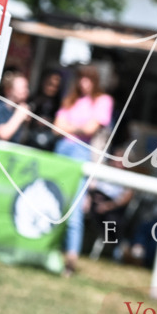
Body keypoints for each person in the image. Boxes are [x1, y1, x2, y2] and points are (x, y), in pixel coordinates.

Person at [54, 64, 114, 277]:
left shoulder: (103, 101)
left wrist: (68, 127)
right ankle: (52, 252)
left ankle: (71, 259)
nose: (84, 83)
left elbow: (90, 129)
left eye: (88, 79)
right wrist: (75, 128)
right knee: (55, 204)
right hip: (61, 152)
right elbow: (56, 126)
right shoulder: (70, 99)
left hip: (82, 156)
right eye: (81, 78)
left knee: (75, 212)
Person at [23, 68, 65, 151]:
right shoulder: (34, 100)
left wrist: (50, 121)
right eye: (50, 84)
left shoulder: (59, 104)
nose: (52, 89)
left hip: (49, 141)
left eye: (56, 86)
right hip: (31, 138)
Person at [0, 70, 31, 142]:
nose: (27, 91)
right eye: (23, 87)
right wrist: (19, 116)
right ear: (9, 90)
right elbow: (3, 134)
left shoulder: (18, 108)